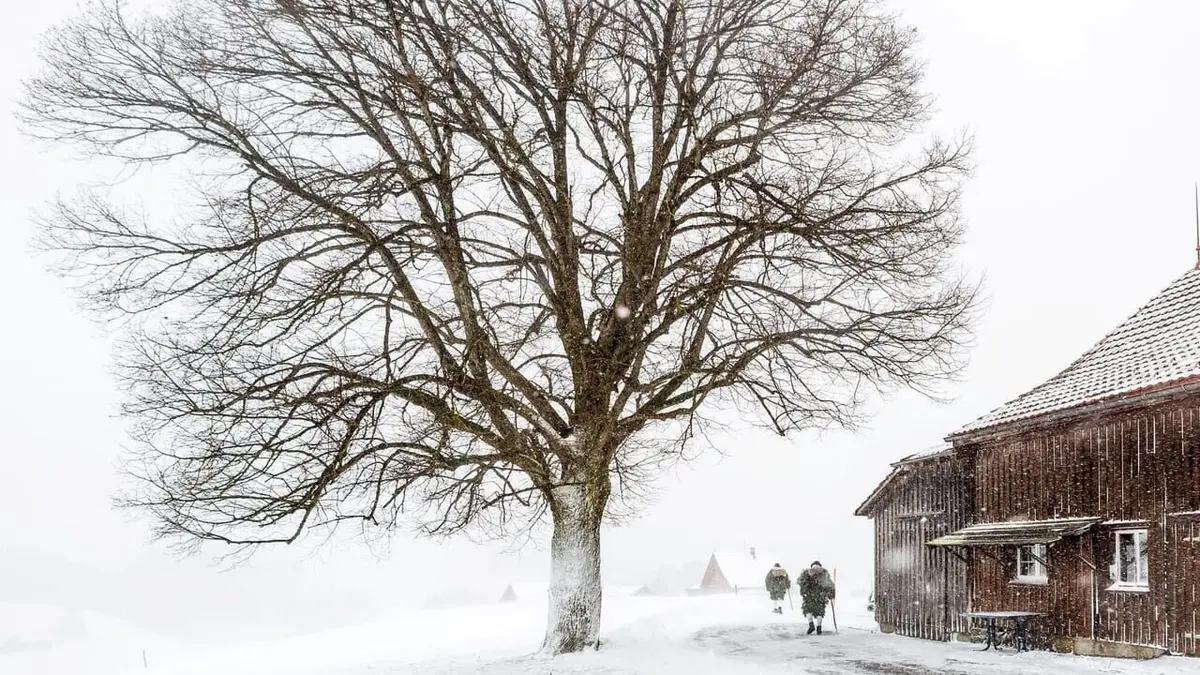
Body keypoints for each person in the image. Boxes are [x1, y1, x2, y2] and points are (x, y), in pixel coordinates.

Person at [797, 560, 836, 634]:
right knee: (820, 612)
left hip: (809, 596)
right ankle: (819, 627)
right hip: (821, 596)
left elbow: (801, 582)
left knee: (808, 610)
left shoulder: (807, 572)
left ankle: (811, 624)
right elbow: (830, 585)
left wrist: (803, 592)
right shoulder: (824, 573)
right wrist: (831, 595)